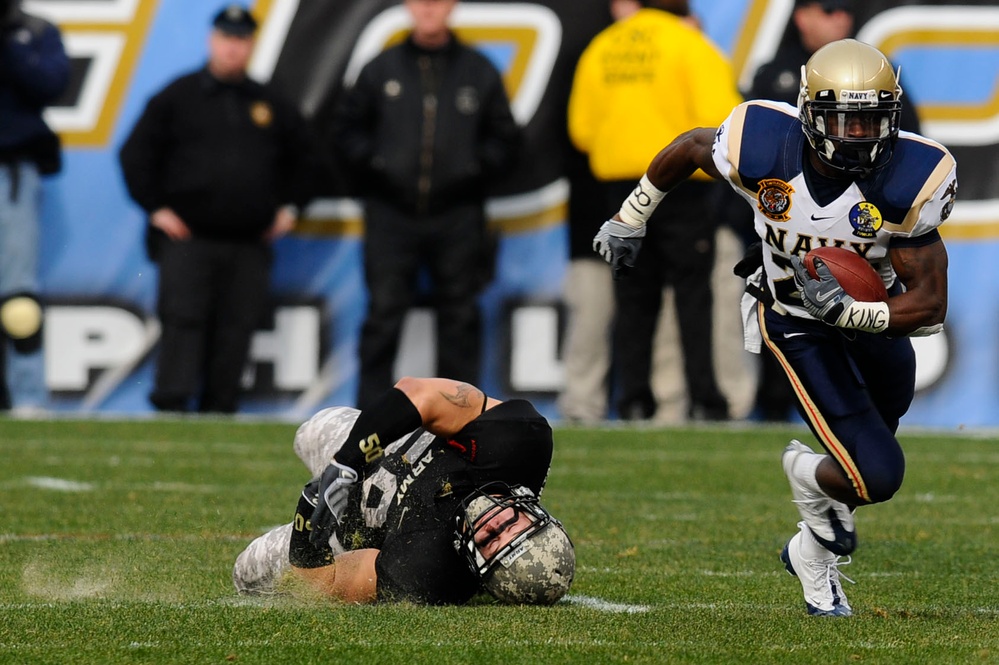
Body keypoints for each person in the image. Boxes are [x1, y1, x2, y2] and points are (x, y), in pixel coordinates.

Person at [593, 39, 956, 616]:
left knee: (865, 459)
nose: (857, 135)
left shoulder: (909, 179)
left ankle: (811, 553)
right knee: (878, 474)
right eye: (842, 119)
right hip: (793, 317)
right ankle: (803, 473)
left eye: (871, 120)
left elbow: (930, 303)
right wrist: (630, 216)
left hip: (871, 323)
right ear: (810, 113)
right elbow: (690, 146)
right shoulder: (761, 144)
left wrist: (856, 313)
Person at [119, 4, 319, 414]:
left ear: (250, 46)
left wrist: (291, 208)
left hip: (248, 243)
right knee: (182, 323)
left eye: (242, 40)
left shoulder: (270, 102)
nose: (233, 48)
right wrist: (156, 207)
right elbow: (135, 154)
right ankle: (171, 409)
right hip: (188, 239)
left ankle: (221, 411)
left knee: (236, 331)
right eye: (227, 39)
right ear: (213, 41)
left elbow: (310, 161)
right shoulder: (178, 96)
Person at [737, 0, 923, 422]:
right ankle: (770, 409)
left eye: (845, 10)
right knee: (783, 312)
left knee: (875, 377)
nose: (841, 18)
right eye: (828, 9)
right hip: (782, 237)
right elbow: (749, 163)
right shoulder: (774, 75)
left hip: (861, 238)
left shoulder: (880, 78)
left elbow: (904, 157)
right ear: (801, 15)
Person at [232, 376, 575, 605]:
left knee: (248, 572)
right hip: (388, 449)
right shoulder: (519, 444)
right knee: (314, 428)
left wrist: (306, 526)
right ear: (537, 516)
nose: (492, 525)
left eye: (491, 544)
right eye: (511, 526)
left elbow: (328, 580)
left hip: (356, 528)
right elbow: (419, 392)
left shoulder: (430, 574)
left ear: (481, 571)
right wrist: (348, 462)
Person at [331, 0, 521, 410]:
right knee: (383, 316)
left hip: (458, 215)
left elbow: (506, 138)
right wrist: (378, 164)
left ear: (452, 7)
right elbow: (346, 131)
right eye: (421, 1)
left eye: (438, 1)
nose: (429, 8)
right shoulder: (381, 68)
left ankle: (460, 422)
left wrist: (471, 169)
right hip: (390, 213)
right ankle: (367, 418)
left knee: (460, 318)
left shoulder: (479, 70)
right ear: (408, 7)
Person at [567, 0, 739, 422]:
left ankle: (634, 399)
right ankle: (705, 399)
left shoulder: (603, 46)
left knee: (632, 299)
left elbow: (582, 131)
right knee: (693, 296)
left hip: (622, 191)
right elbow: (724, 122)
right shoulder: (689, 44)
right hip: (682, 187)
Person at [0, 0, 69, 411]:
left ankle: (27, 398)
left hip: (13, 171)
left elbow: (52, 84)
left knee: (18, 299)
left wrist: (10, 46)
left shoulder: (33, 30)